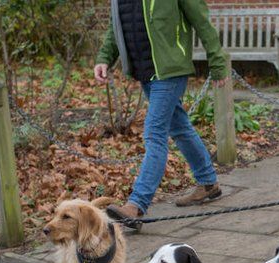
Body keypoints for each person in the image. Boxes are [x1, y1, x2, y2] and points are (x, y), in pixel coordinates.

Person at [94, 0, 229, 221]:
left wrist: (217, 61)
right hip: (145, 72)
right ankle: (208, 183)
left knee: (154, 134)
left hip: (170, 71)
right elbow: (116, 27)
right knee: (179, 128)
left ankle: (136, 205)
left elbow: (202, 21)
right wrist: (104, 58)